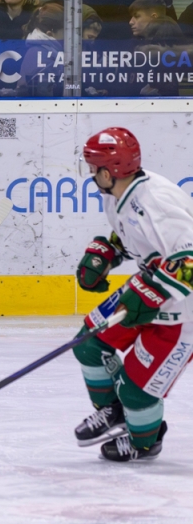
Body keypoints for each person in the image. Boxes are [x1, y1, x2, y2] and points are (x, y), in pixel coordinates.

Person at [72, 127, 193, 461]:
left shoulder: (157, 201)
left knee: (136, 392)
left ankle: (144, 442)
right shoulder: (119, 192)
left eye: (94, 168)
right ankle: (116, 413)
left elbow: (190, 259)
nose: (91, 174)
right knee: (88, 345)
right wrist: (109, 251)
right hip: (151, 288)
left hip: (184, 312)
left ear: (109, 172)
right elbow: (138, 237)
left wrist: (151, 296)